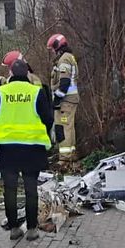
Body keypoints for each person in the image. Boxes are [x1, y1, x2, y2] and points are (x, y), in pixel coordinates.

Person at [0, 58, 52, 241]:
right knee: (31, 188)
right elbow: (48, 118)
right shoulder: (36, 92)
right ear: (27, 73)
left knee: (10, 189)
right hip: (32, 147)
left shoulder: (1, 92)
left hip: (8, 148)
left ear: (11, 74)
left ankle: (14, 228)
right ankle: (32, 229)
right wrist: (43, 132)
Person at [48, 33, 80, 170]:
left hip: (65, 101)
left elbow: (64, 82)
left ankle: (64, 160)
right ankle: (71, 156)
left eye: (52, 49)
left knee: (63, 127)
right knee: (69, 127)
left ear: (57, 46)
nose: (53, 52)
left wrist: (57, 99)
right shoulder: (68, 58)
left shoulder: (64, 60)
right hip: (70, 100)